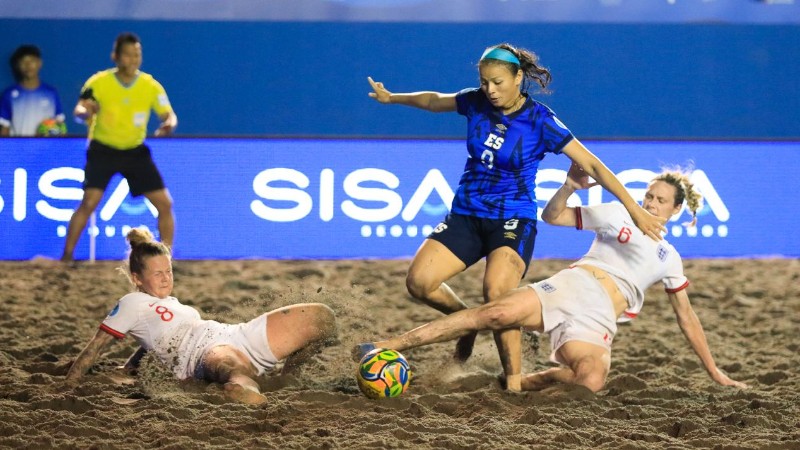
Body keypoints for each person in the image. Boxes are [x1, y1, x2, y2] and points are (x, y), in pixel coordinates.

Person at [367, 42, 666, 387]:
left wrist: (634, 210)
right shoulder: (475, 101)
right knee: (419, 283)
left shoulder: (541, 119)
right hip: (466, 212)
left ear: (518, 77)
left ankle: (513, 382)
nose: (490, 90)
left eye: (497, 82)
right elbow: (436, 100)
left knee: (497, 293)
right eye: (484, 83)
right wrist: (394, 98)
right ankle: (466, 326)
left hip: (512, 218)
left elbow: (592, 164)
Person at [354, 163, 748, 393]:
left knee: (590, 380)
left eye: (660, 200)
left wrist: (713, 371)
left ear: (675, 210)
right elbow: (553, 216)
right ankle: (385, 345)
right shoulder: (617, 213)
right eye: (648, 195)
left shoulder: (670, 258)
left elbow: (687, 317)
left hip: (599, 320)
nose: (650, 203)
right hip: (574, 285)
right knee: (492, 314)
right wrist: (568, 187)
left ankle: (519, 383)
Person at [65, 227, 337, 405]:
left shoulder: (170, 304)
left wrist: (130, 367)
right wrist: (69, 383)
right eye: (157, 273)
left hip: (234, 333)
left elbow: (148, 341)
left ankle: (285, 377)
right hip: (202, 352)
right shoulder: (131, 303)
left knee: (322, 318)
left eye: (168, 271)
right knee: (231, 366)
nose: (166, 278)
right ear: (137, 278)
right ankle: (247, 391)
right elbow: (96, 346)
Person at [61, 32, 178, 262]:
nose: (133, 59)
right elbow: (79, 110)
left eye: (137, 54)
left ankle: (166, 259)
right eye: (128, 55)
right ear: (115, 56)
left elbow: (169, 115)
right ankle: (66, 258)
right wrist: (85, 111)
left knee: (165, 204)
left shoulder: (150, 86)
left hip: (135, 151)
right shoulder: (99, 82)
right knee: (89, 203)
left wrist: (168, 124)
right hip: (103, 150)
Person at [0, 44, 65, 136]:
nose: (28, 65)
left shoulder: (51, 93)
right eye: (23, 62)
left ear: (39, 63)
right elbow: (4, 127)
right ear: (18, 66)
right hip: (19, 148)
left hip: (44, 148)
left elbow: (59, 125)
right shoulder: (9, 94)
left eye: (32, 61)